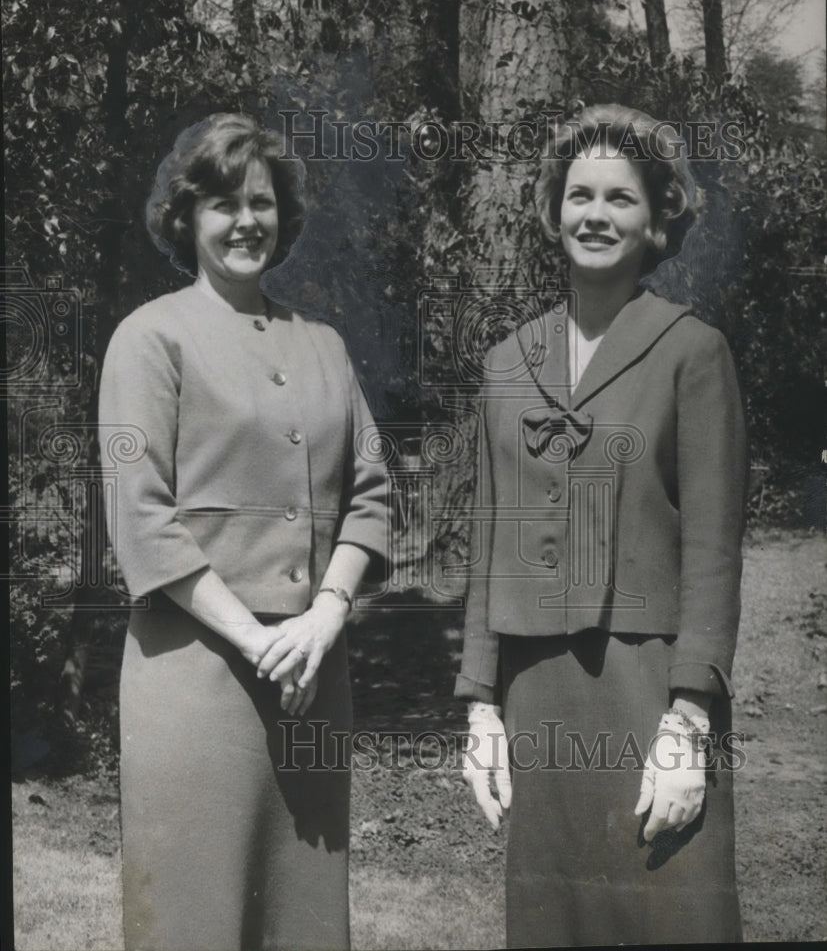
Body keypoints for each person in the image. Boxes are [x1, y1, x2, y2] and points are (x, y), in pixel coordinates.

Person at [456, 103, 746, 946]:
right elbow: (487, 540)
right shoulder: (506, 364)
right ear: (553, 212)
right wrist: (479, 708)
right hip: (536, 690)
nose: (594, 214)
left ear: (656, 222)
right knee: (557, 919)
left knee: (668, 908)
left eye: (620, 199)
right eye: (578, 195)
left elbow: (712, 550)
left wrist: (688, 723)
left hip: (649, 688)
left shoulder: (693, 351)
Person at [99, 113, 388, 951]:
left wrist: (325, 617)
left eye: (261, 202)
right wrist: (258, 641)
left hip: (311, 676)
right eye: (223, 203)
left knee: (302, 919)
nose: (246, 221)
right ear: (185, 218)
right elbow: (142, 519)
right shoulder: (148, 340)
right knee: (196, 915)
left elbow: (371, 493)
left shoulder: (326, 346)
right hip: (195, 680)